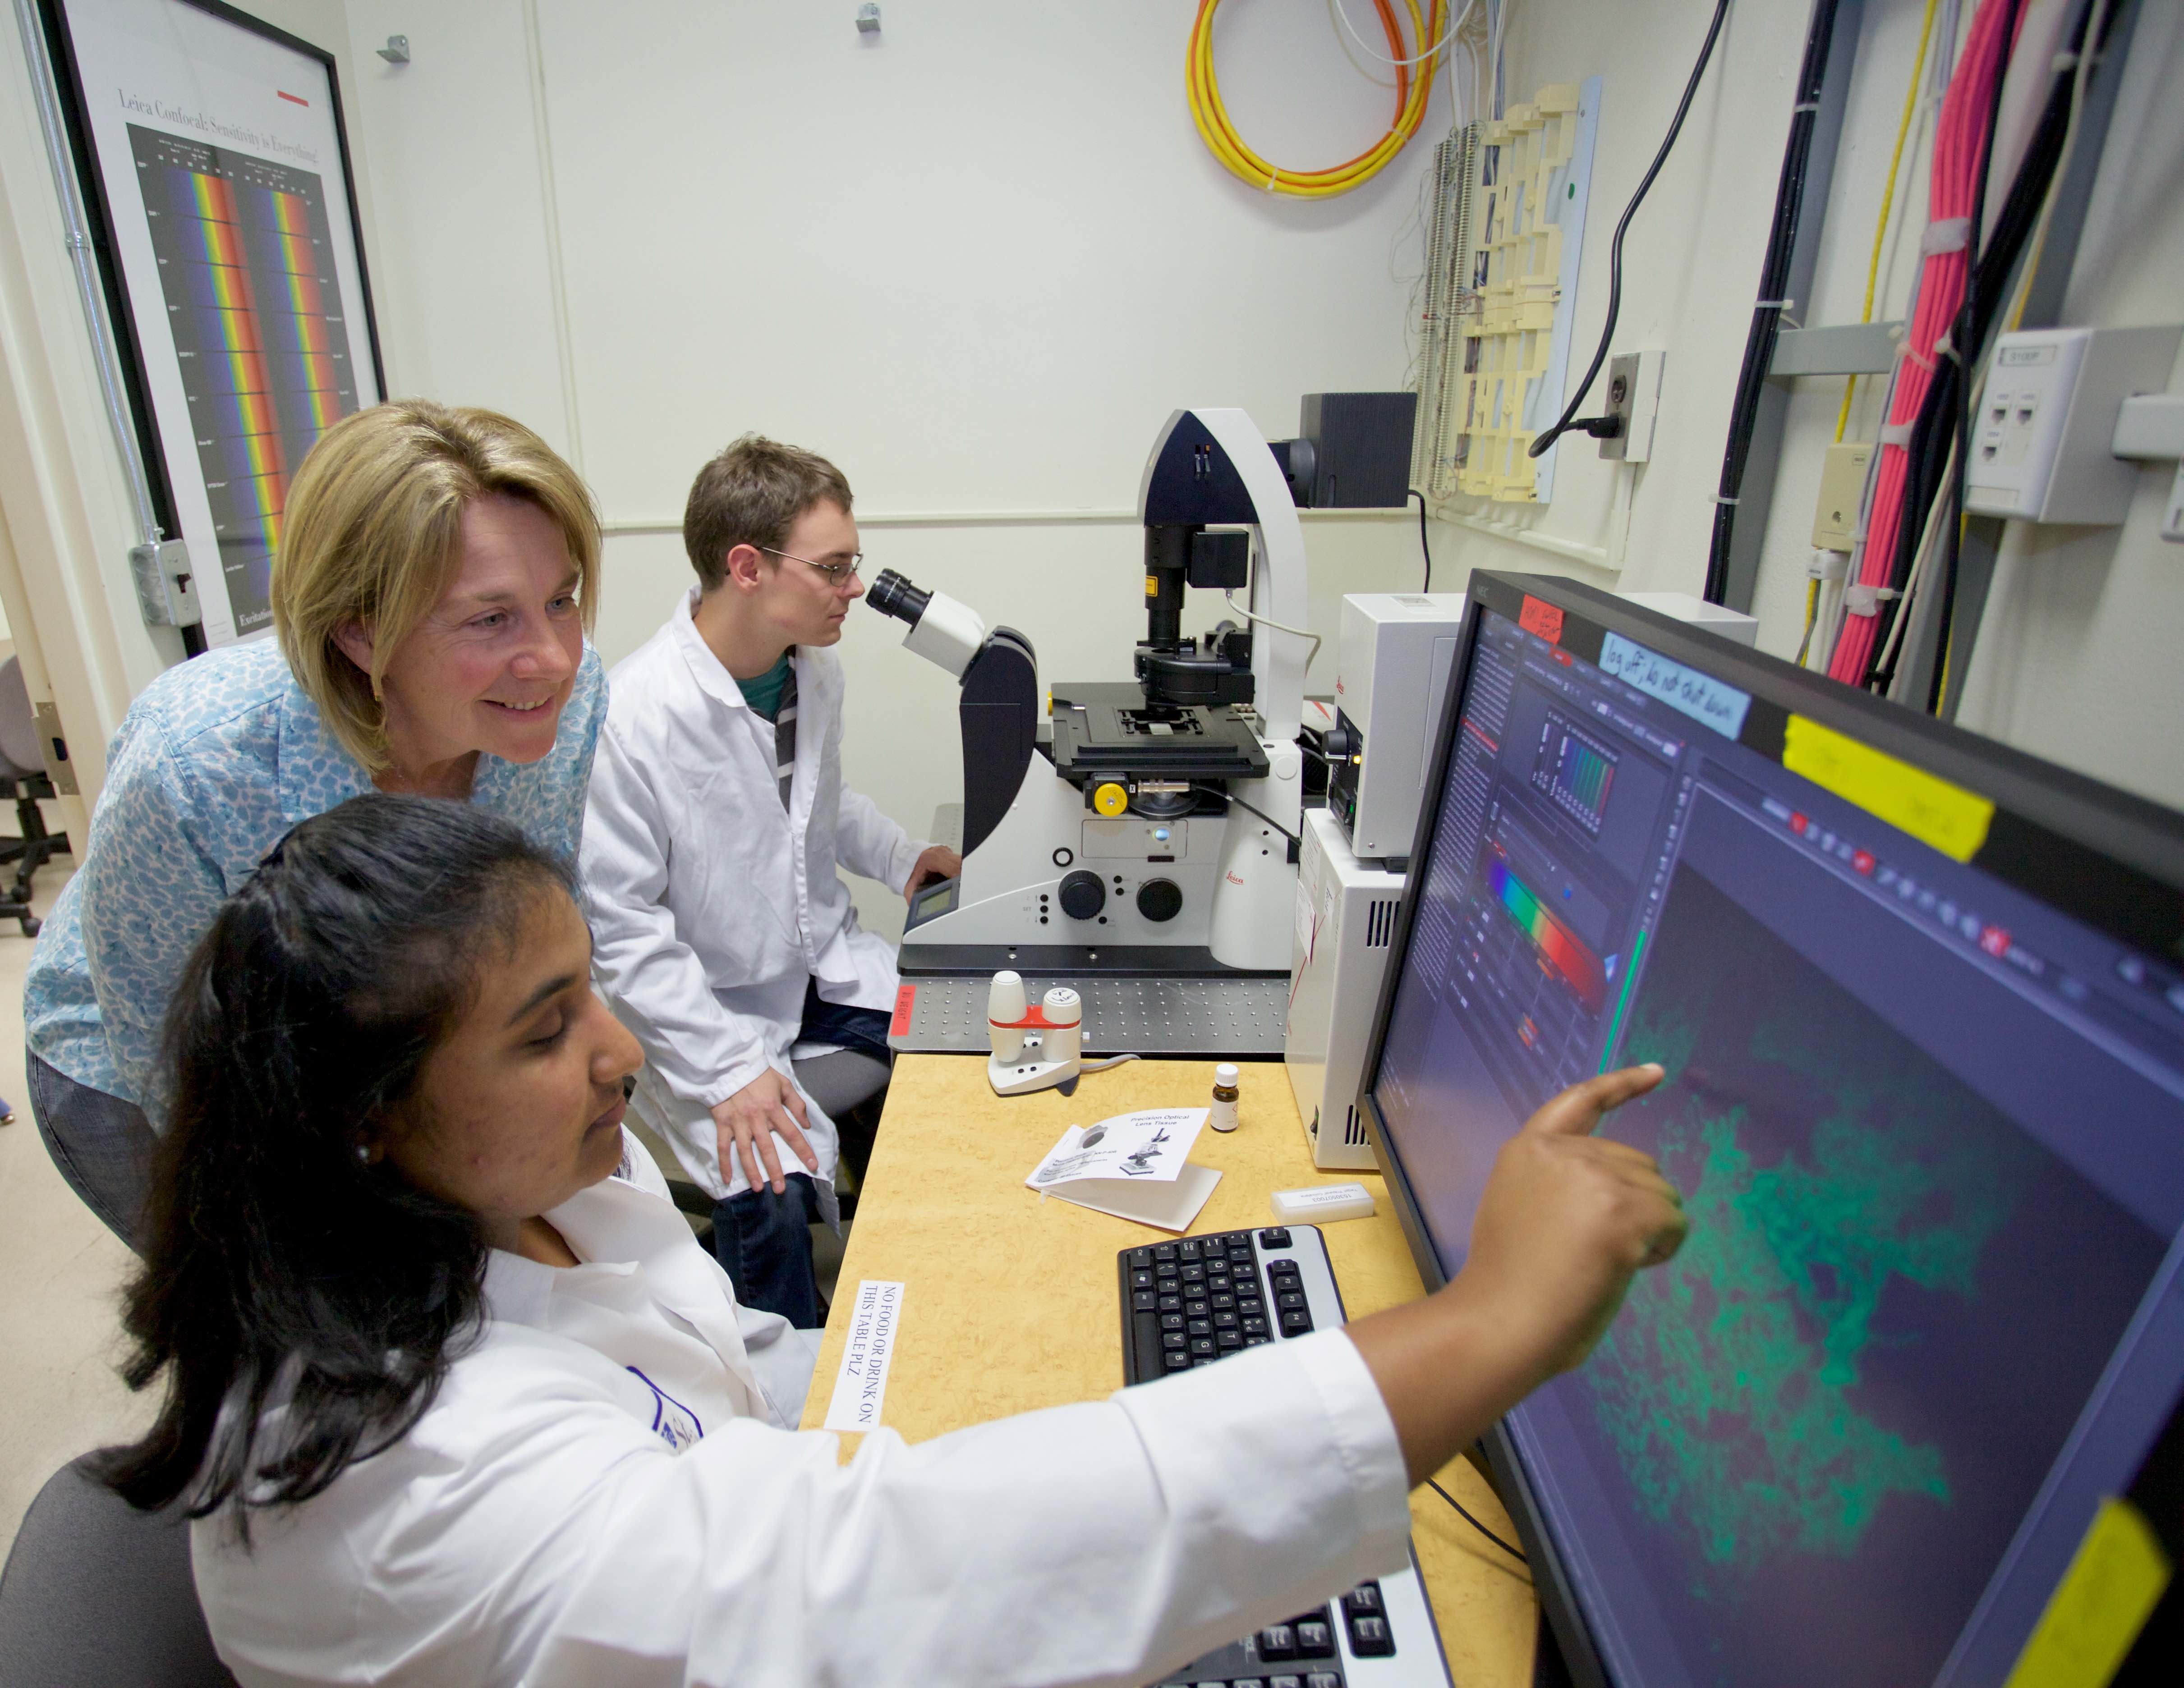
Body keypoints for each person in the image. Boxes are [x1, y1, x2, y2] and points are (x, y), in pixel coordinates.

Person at [99, 794, 1687, 1688]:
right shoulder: (413, 1488)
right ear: (368, 1114)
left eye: (592, 987)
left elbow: (718, 1375)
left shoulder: (501, 1205)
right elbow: (875, 1583)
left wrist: (978, 1404)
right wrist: (1486, 1322)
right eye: (541, 1029)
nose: (621, 1049)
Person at [21, 399, 605, 1249]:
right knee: (294, 1325)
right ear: (360, 631)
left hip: (379, 1043)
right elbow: (170, 1053)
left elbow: (533, 933)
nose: (553, 659)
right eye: (491, 619)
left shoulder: (564, 699)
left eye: (561, 600)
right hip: (151, 1067)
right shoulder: (198, 764)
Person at [582, 435, 959, 1326]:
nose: (854, 587)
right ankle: (783, 1367)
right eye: (833, 567)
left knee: (947, 1034)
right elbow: (622, 931)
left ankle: (919, 1265)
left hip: (815, 968)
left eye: (851, 564)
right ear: (746, 567)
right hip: (706, 1008)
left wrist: (906, 859)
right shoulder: (631, 719)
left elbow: (817, 804)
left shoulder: (810, 672)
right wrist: (726, 1072)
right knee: (769, 1172)